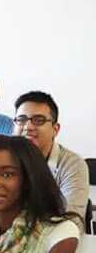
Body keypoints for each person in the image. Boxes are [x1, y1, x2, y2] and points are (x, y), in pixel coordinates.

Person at [12, 90, 89, 232]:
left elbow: (72, 222)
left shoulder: (73, 165)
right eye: (21, 120)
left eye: (38, 120)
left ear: (55, 129)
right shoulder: (3, 160)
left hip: (54, 244)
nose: (28, 127)